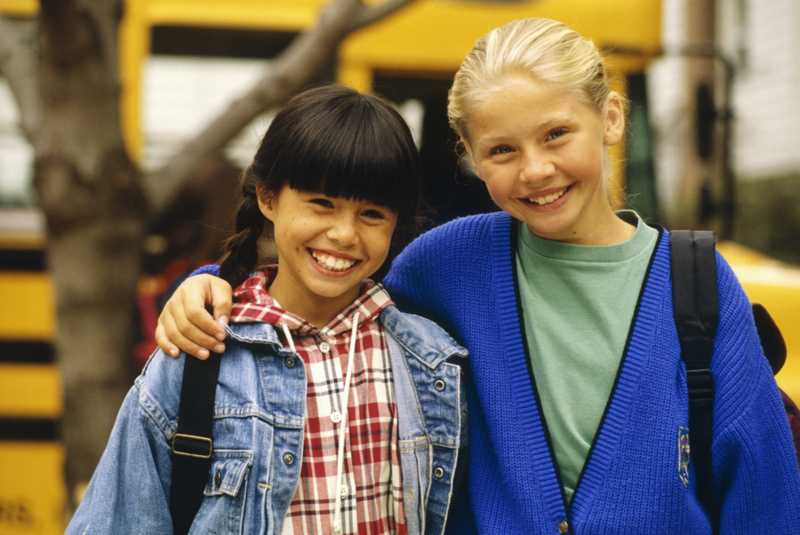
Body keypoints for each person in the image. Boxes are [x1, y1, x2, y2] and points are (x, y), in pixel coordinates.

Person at [156, 18, 800, 534]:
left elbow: (763, 494)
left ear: (610, 118)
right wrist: (217, 282)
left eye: (556, 134)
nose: (536, 170)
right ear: (471, 159)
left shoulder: (698, 281)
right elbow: (323, 292)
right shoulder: (451, 262)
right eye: (502, 151)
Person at [67, 85, 469, 535]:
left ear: (398, 222)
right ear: (268, 198)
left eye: (372, 214)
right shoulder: (199, 355)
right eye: (322, 204)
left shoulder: (431, 363)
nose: (344, 233)